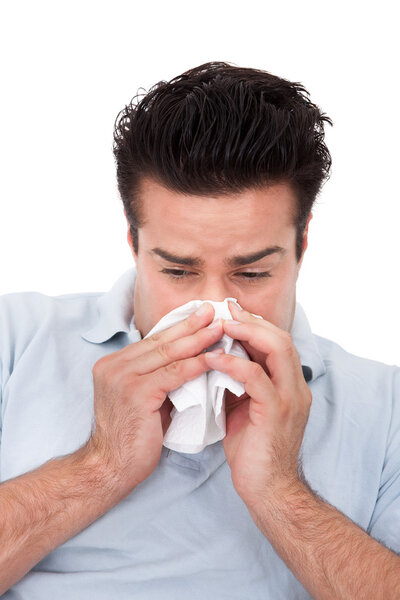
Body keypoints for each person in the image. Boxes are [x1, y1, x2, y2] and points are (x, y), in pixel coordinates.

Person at [0, 61, 399, 599]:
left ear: (302, 245)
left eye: (252, 272)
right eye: (178, 271)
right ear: (134, 242)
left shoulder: (386, 406)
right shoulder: (15, 340)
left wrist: (280, 492)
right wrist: (101, 465)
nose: (213, 306)